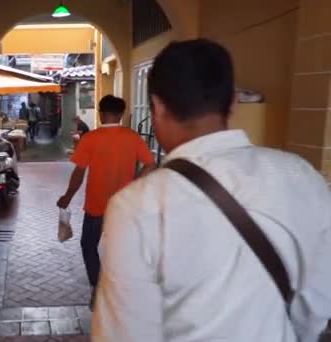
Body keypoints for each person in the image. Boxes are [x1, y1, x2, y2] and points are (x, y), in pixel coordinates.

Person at [93, 39, 331, 341]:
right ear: (232, 102)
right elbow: (318, 301)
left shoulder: (136, 205)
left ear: (156, 107)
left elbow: (123, 332)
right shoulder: (301, 175)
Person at [57, 95, 157, 309]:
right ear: (121, 115)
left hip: (96, 206)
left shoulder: (90, 138)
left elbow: (79, 172)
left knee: (88, 245)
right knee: (121, 248)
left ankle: (98, 287)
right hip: (125, 207)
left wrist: (67, 197)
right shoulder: (132, 137)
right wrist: (134, 186)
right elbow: (150, 164)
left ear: (101, 113)